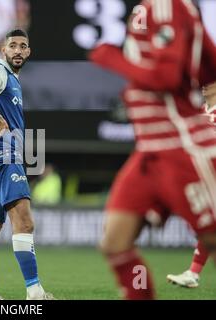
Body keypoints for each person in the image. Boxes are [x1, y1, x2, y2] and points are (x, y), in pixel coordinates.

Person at [90, 0, 216, 299]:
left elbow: (166, 78)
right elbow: (210, 64)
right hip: (149, 152)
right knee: (115, 243)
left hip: (182, 147)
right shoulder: (173, 10)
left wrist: (111, 58)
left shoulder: (166, 6)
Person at [0, 29, 54, 300]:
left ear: (28, 52)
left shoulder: (12, 78)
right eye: (12, 45)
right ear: (3, 50)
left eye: (22, 46)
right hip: (3, 156)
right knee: (24, 223)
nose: (17, 50)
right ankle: (35, 291)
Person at [166, 82, 216, 288]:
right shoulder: (198, 111)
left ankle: (193, 274)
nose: (204, 86)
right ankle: (193, 274)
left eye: (210, 82)